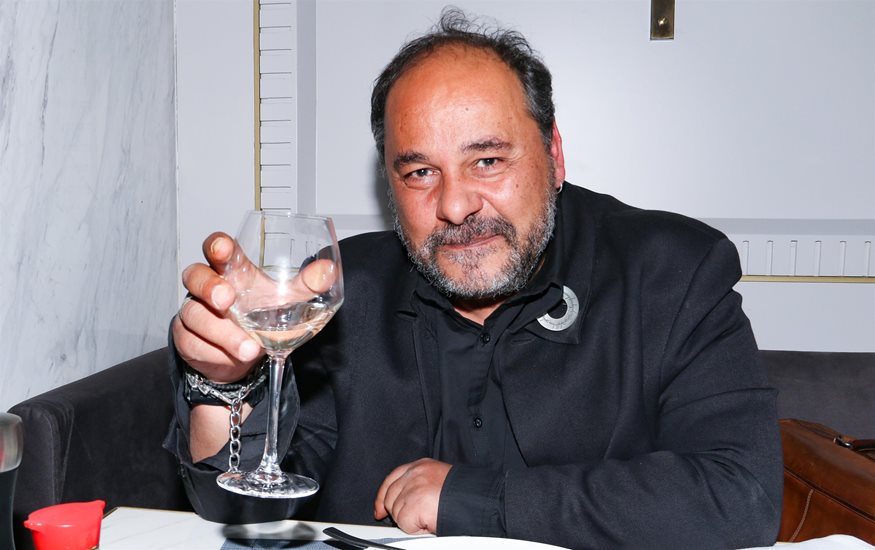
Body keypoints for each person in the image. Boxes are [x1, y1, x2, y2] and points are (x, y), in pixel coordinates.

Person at [165, 8, 782, 549]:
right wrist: (222, 386)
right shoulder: (343, 291)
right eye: (420, 173)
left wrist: (475, 500)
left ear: (554, 154)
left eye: (487, 160)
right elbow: (244, 514)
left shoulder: (673, 272)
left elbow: (739, 494)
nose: (456, 206)